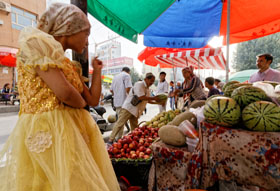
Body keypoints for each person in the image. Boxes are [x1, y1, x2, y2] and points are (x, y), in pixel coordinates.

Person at [0, 3, 120, 191]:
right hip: (48, 129)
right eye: (86, 34)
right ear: (69, 28)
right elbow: (65, 93)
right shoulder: (36, 44)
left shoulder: (70, 65)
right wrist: (79, 103)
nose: (87, 42)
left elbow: (93, 100)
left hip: (71, 132)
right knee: (52, 180)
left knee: (73, 180)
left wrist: (97, 72)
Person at [108, 73, 162, 143]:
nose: (152, 83)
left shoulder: (148, 89)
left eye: (153, 81)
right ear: (146, 79)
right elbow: (141, 97)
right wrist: (154, 98)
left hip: (136, 111)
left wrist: (157, 102)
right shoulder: (139, 84)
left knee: (135, 128)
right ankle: (110, 139)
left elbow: (147, 100)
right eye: (151, 81)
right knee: (120, 123)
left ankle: (134, 141)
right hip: (128, 108)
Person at [110, 67, 132, 138]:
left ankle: (117, 138)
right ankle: (117, 138)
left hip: (117, 102)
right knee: (121, 122)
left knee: (120, 121)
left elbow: (111, 90)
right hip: (125, 102)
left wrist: (117, 95)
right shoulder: (127, 75)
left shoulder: (115, 77)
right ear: (128, 71)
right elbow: (128, 88)